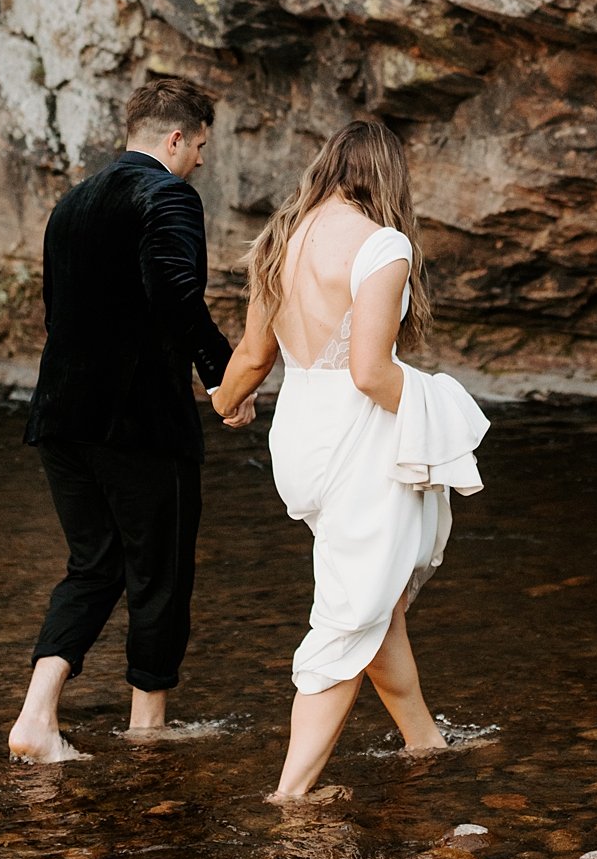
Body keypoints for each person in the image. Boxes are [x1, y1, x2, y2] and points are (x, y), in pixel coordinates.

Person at [209, 118, 490, 801]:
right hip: (357, 436)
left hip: (300, 433)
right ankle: (292, 795)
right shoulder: (382, 243)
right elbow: (369, 371)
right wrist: (441, 408)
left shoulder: (282, 239)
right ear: (387, 176)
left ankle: (424, 738)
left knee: (375, 598)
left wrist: (225, 403)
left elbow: (251, 357)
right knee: (349, 612)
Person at [8, 77, 252, 762]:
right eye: (200, 145)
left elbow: (58, 314)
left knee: (95, 563)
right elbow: (176, 295)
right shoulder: (168, 195)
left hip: (59, 414)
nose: (201, 160)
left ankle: (37, 716)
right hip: (138, 419)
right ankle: (148, 730)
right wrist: (224, 379)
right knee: (161, 569)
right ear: (175, 138)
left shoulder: (70, 203)